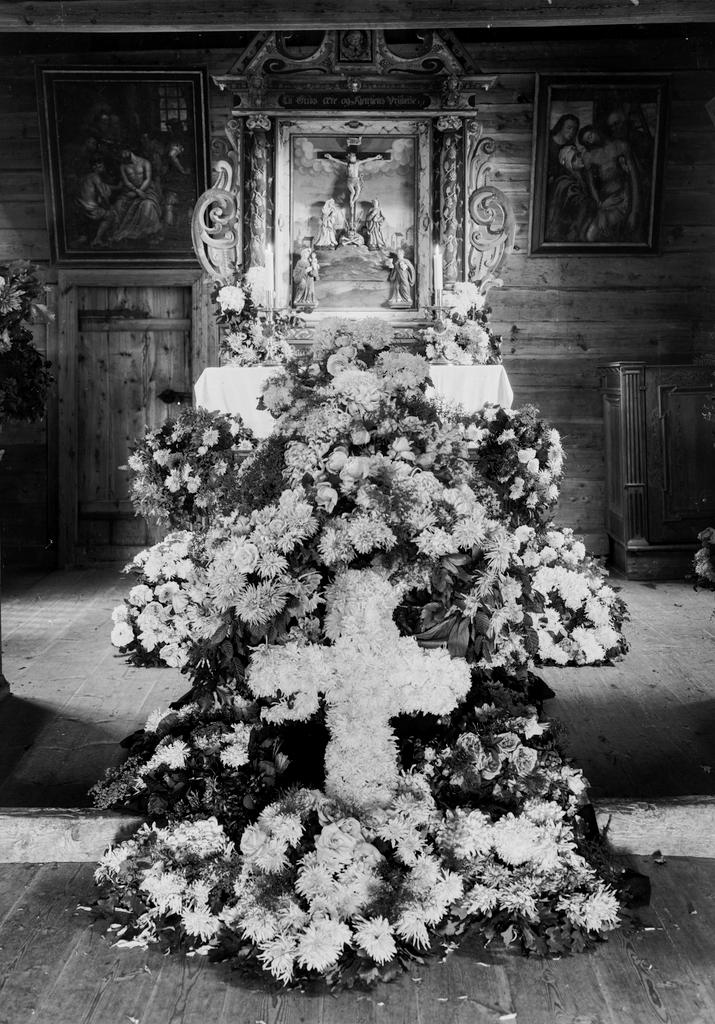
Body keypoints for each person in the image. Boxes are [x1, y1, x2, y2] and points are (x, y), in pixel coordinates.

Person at [578, 123, 641, 242]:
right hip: (605, 202)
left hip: (622, 199)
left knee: (594, 236)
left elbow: (634, 179)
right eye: (587, 141)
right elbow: (591, 185)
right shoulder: (589, 156)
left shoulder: (621, 146)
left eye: (590, 136)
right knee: (588, 236)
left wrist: (634, 211)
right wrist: (601, 205)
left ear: (595, 131)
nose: (590, 141)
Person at [321, 150, 384, 231]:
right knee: (353, 192)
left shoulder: (358, 163)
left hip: (356, 180)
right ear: (349, 158)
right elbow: (338, 161)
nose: (352, 159)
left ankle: (353, 201)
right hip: (350, 180)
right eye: (350, 157)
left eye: (353, 157)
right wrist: (331, 157)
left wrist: (375, 157)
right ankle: (351, 201)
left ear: (355, 158)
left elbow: (367, 159)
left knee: (358, 191)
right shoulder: (347, 164)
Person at [112, 148, 164, 243]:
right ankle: (123, 235)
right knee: (118, 205)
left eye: (123, 152)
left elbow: (147, 179)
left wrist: (140, 191)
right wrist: (137, 191)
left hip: (147, 191)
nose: (121, 156)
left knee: (147, 205)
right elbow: (126, 182)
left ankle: (149, 234)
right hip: (131, 191)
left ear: (128, 151)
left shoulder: (145, 162)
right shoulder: (123, 166)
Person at [75, 157, 118, 247]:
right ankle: (97, 240)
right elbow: (102, 194)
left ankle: (84, 237)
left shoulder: (84, 177)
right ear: (95, 167)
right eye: (101, 166)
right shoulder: (95, 176)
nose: (104, 168)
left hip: (79, 206)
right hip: (90, 208)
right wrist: (108, 207)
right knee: (111, 216)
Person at [547, 114, 580, 184]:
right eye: (569, 128)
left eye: (574, 129)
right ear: (561, 126)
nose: (572, 132)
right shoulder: (547, 139)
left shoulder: (571, 148)